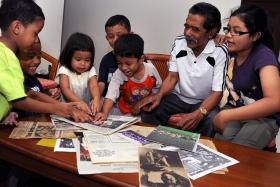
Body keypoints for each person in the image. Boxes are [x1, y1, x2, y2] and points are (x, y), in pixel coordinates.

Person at [140, 2, 228, 137]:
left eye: (195, 29)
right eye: (186, 26)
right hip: (177, 99)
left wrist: (198, 114)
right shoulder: (179, 42)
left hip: (203, 102)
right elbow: (172, 77)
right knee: (149, 110)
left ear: (211, 33)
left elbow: (217, 93)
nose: (187, 33)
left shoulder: (220, 52)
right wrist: (158, 95)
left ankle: (197, 154)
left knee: (211, 120)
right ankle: (157, 145)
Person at [0, 0, 92, 124]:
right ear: (17, 27)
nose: (36, 39)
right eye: (35, 33)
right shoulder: (7, 57)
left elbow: (21, 94)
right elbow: (19, 100)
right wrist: (59, 108)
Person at [213, 4, 280, 149]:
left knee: (238, 152)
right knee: (218, 146)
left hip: (263, 118)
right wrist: (215, 36)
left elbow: (275, 101)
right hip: (238, 112)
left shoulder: (264, 56)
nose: (229, 35)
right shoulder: (234, 49)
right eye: (228, 29)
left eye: (236, 31)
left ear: (255, 36)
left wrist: (225, 116)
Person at [95, 33, 162, 121]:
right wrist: (104, 113)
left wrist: (145, 104)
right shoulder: (119, 73)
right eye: (119, 63)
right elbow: (110, 95)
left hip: (143, 112)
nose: (124, 68)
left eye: (128, 64)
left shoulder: (151, 70)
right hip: (123, 112)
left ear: (141, 59)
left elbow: (158, 89)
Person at [14, 40, 62, 117]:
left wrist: (50, 95)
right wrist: (61, 107)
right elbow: (33, 95)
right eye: (30, 57)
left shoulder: (33, 78)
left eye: (39, 57)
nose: (37, 61)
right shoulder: (15, 80)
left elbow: (40, 93)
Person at [56, 32, 100, 115]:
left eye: (87, 60)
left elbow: (94, 85)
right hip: (67, 109)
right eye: (78, 59)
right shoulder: (64, 70)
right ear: (69, 57)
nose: (83, 64)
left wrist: (96, 99)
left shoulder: (90, 70)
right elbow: (65, 89)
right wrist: (80, 102)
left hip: (85, 110)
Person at [98, 15, 131, 97]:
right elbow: (101, 83)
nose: (116, 40)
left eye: (120, 35)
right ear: (107, 38)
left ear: (130, 35)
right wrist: (96, 98)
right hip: (108, 101)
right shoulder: (106, 59)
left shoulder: (137, 58)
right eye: (111, 36)